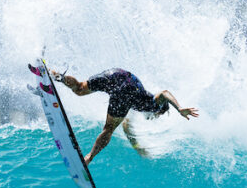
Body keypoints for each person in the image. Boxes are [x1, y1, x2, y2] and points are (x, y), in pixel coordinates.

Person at [53, 68, 198, 164]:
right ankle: (88, 158)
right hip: (126, 91)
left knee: (79, 89)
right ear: (159, 111)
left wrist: (137, 147)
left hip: (116, 74)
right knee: (108, 129)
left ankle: (58, 76)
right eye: (157, 116)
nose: (153, 118)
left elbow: (126, 126)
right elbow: (165, 93)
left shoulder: (138, 105)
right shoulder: (154, 104)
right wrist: (179, 108)